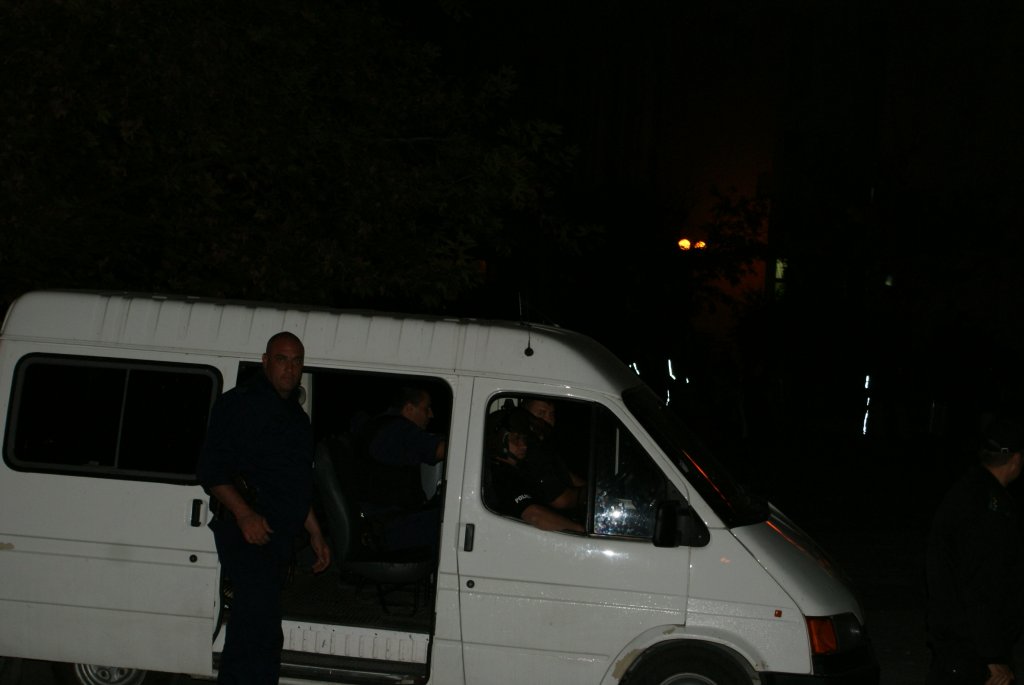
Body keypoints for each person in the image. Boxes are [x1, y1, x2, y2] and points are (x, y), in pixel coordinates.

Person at [198, 332, 330, 685]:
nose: (290, 368)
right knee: (258, 629)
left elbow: (294, 482)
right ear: (265, 361)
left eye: (297, 361)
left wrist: (315, 532)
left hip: (278, 536)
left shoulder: (296, 417)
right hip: (247, 532)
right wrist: (244, 515)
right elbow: (211, 470)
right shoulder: (239, 405)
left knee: (257, 628)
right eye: (282, 359)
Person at [925, 417, 1024, 685]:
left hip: (964, 645)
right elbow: (981, 583)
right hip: (970, 651)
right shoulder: (985, 507)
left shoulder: (972, 491)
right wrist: (992, 655)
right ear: (1016, 459)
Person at [354, 386, 446, 551]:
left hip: (384, 520)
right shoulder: (398, 431)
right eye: (426, 409)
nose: (431, 415)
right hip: (389, 526)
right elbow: (438, 450)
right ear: (409, 408)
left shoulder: (383, 425)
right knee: (456, 520)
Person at [484, 407, 584, 533]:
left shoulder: (521, 468)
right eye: (516, 439)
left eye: (524, 439)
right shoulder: (500, 474)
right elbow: (534, 515)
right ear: (498, 440)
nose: (524, 445)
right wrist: (579, 530)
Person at [520, 397, 586, 515]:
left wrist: (592, 488)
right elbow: (560, 500)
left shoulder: (546, 445)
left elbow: (566, 474)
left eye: (551, 414)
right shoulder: (526, 449)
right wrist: (591, 495)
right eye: (541, 413)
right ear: (524, 416)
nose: (548, 419)